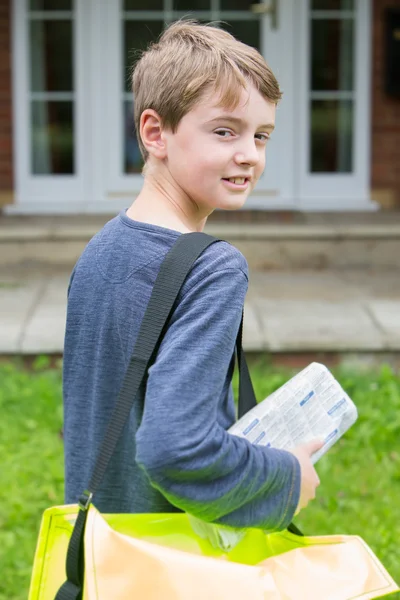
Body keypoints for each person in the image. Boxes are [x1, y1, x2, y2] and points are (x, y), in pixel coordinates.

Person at [63, 19, 322, 530]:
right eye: (225, 131)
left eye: (262, 135)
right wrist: (288, 478)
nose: (249, 153)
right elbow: (174, 449)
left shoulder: (102, 248)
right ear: (156, 132)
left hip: (107, 551)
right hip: (177, 562)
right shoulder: (211, 267)